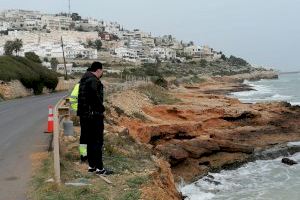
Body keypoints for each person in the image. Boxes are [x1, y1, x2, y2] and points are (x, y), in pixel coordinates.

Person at [77, 62, 113, 175]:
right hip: (93, 116)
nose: (102, 73)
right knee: (97, 141)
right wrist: (101, 109)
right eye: (102, 71)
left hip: (84, 115)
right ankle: (99, 168)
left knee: (89, 141)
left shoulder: (84, 79)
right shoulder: (93, 80)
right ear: (98, 70)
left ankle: (92, 166)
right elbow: (94, 97)